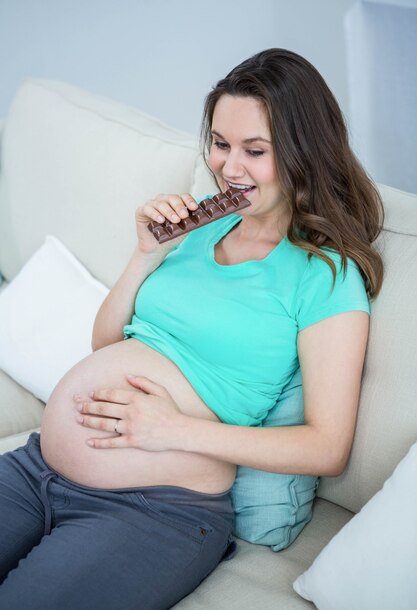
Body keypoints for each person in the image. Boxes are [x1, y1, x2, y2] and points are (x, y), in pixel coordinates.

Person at [0, 48, 384, 609]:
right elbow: (106, 345)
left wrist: (169, 428)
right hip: (37, 469)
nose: (229, 168)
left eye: (255, 151)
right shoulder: (205, 222)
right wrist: (144, 255)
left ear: (304, 153)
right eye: (221, 144)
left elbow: (327, 447)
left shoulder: (325, 274)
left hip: (156, 509)